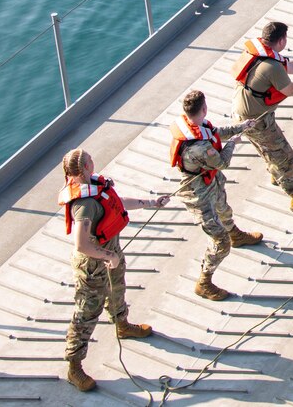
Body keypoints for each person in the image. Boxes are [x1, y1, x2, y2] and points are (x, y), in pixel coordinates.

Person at [58, 148, 169, 391]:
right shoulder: (84, 205)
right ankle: (74, 366)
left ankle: (122, 324)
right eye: (89, 160)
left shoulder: (96, 186)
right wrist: (108, 256)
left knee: (117, 290)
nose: (92, 161)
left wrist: (151, 203)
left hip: (110, 255)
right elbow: (81, 243)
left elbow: (117, 203)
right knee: (87, 312)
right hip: (93, 265)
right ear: (85, 168)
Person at [170, 90, 259, 301]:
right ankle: (204, 281)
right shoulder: (200, 148)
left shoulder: (195, 126)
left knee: (224, 209)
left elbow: (216, 132)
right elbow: (222, 162)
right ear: (204, 108)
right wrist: (233, 143)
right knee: (220, 241)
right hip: (198, 195)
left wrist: (242, 126)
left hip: (211, 183)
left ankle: (235, 234)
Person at [232, 21, 293, 216]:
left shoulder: (259, 53)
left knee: (267, 148)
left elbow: (287, 66)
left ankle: (278, 174)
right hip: (257, 119)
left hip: (243, 111)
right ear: (281, 40)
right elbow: (289, 89)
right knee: (285, 156)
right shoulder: (272, 66)